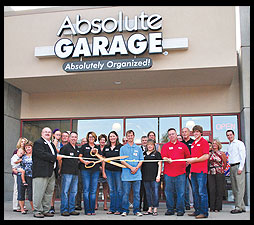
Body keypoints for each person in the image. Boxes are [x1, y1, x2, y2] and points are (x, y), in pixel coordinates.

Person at [32, 127, 63, 218]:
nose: (47, 133)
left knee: (49, 192)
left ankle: (46, 210)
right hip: (41, 171)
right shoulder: (38, 143)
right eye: (45, 132)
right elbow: (42, 155)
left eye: (49, 132)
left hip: (51, 172)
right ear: (41, 133)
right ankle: (37, 210)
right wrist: (55, 157)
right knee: (39, 192)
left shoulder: (52, 144)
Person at [161, 128, 190, 216]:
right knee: (168, 192)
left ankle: (180, 209)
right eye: (169, 134)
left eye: (173, 134)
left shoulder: (183, 145)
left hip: (180, 174)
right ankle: (170, 209)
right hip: (168, 174)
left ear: (176, 134)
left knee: (181, 192)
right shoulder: (165, 146)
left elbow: (188, 158)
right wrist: (167, 159)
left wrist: (183, 166)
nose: (171, 136)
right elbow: (163, 157)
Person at [186, 125, 209, 219]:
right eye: (194, 132)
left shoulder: (204, 142)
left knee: (202, 192)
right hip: (194, 171)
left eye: (197, 132)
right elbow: (192, 158)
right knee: (195, 192)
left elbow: (206, 156)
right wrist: (191, 172)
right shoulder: (194, 143)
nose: (195, 133)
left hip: (201, 171)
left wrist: (194, 161)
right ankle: (197, 210)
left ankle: (204, 212)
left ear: (201, 133)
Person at [120, 130, 144, 217]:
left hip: (137, 175)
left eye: (131, 135)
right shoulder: (123, 148)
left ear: (134, 136)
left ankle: (136, 210)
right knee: (125, 193)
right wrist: (131, 168)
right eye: (128, 136)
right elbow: (122, 160)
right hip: (126, 175)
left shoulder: (138, 148)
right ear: (126, 137)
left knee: (137, 194)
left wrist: (136, 168)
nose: (130, 137)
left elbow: (141, 160)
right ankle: (125, 210)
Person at [79, 131, 101, 215]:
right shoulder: (84, 146)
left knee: (93, 190)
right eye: (89, 137)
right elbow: (80, 157)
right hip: (85, 170)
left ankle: (92, 210)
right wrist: (84, 162)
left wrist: (96, 153)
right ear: (87, 138)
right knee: (86, 190)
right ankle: (87, 210)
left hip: (95, 170)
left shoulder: (97, 147)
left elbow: (101, 158)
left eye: (92, 137)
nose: (91, 138)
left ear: (95, 138)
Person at [59, 131, 80, 216]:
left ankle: (71, 209)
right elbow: (59, 159)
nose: (74, 138)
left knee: (74, 192)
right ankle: (64, 210)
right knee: (65, 191)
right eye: (72, 137)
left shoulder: (77, 148)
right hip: (67, 173)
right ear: (69, 138)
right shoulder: (65, 148)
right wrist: (61, 169)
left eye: (75, 137)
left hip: (75, 173)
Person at [102, 131, 123, 215]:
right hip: (108, 171)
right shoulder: (106, 147)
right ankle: (112, 209)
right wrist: (103, 171)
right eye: (110, 136)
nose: (112, 138)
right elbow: (103, 160)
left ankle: (119, 209)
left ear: (117, 137)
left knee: (119, 190)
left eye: (113, 136)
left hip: (118, 171)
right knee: (112, 190)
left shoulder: (121, 147)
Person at [226, 129, 246, 214]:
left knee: (239, 188)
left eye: (230, 135)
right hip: (232, 166)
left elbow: (243, 156)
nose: (229, 136)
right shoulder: (229, 145)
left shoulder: (239, 143)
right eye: (228, 135)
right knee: (234, 188)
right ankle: (242, 206)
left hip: (238, 166)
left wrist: (241, 168)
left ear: (234, 135)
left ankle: (238, 207)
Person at [142, 139, 162, 216]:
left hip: (154, 177)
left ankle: (155, 208)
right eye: (148, 144)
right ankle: (149, 208)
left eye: (151, 144)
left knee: (155, 193)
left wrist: (158, 175)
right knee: (148, 193)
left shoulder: (157, 154)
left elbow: (160, 164)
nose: (150, 146)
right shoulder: (144, 154)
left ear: (154, 146)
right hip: (145, 177)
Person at [208, 139, 227, 212]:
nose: (214, 145)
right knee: (212, 189)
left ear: (219, 145)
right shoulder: (209, 153)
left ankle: (218, 207)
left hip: (219, 172)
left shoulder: (222, 153)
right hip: (210, 172)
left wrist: (221, 169)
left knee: (219, 189)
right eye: (213, 143)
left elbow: (224, 163)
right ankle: (212, 207)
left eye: (216, 143)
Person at [17, 141, 34, 214]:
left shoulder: (35, 156)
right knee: (21, 191)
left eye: (29, 147)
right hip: (22, 175)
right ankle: (22, 209)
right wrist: (17, 169)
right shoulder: (22, 156)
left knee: (31, 193)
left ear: (32, 147)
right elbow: (15, 163)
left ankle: (33, 208)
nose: (28, 149)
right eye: (26, 147)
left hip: (31, 176)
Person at [11, 137, 28, 212]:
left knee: (23, 189)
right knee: (17, 189)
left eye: (24, 142)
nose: (23, 143)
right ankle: (15, 206)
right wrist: (14, 170)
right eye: (22, 142)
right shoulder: (16, 151)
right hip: (17, 171)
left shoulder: (27, 151)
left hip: (24, 172)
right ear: (19, 143)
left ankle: (22, 205)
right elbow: (13, 162)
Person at [49, 128, 62, 214]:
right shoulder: (51, 143)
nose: (58, 136)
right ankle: (51, 206)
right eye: (57, 134)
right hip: (52, 167)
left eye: (59, 135)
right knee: (52, 188)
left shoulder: (60, 144)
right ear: (53, 135)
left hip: (59, 166)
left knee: (58, 188)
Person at [181, 127, 194, 210]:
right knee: (184, 188)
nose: (184, 133)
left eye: (186, 131)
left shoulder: (193, 142)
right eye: (183, 132)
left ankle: (195, 204)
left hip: (192, 168)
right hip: (182, 169)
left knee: (193, 188)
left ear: (189, 133)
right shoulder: (180, 143)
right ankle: (186, 205)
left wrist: (189, 163)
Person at [95, 134, 109, 211]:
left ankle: (105, 204)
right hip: (97, 169)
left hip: (106, 169)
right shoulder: (96, 148)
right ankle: (96, 203)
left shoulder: (107, 148)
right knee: (96, 187)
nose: (102, 141)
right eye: (101, 140)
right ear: (99, 141)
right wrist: (99, 167)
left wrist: (103, 168)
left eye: (104, 140)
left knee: (105, 187)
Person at [140, 135, 148, 212]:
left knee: (146, 190)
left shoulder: (150, 150)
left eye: (146, 140)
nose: (144, 142)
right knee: (139, 190)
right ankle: (138, 207)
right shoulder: (139, 149)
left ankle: (146, 207)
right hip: (139, 172)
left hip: (147, 173)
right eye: (143, 140)